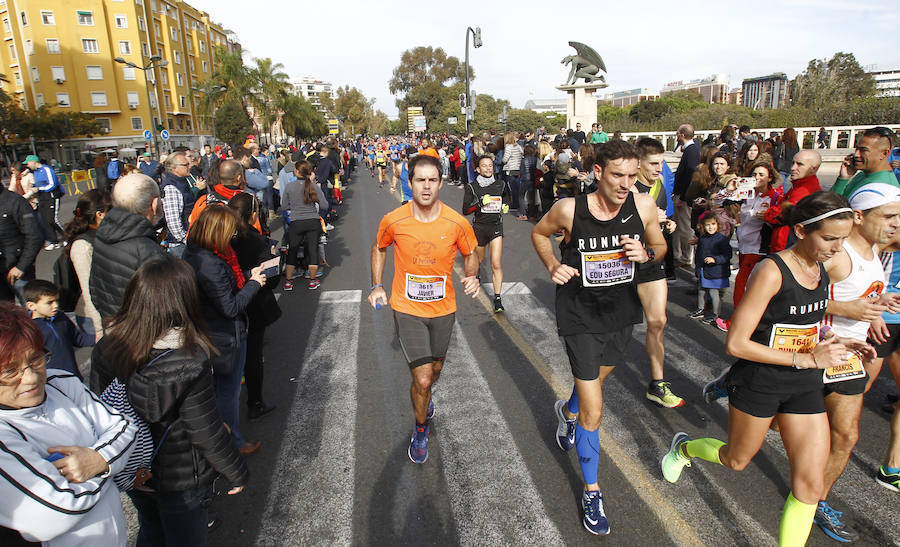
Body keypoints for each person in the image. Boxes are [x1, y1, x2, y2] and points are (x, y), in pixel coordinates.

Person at [660, 192, 865, 547]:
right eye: (830, 238)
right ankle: (685, 449)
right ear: (801, 230)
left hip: (803, 384)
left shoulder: (821, 266)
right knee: (735, 460)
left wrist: (837, 342)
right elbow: (736, 343)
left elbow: (806, 321)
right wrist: (805, 359)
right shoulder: (772, 271)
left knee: (810, 485)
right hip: (761, 381)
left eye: (843, 239)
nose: (837, 248)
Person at [532, 140, 666, 535]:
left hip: (621, 313)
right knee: (595, 409)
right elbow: (540, 235)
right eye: (617, 176)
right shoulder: (569, 210)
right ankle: (593, 491)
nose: (626, 184)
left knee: (598, 381)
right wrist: (554, 264)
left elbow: (659, 246)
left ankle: (566, 411)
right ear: (597, 173)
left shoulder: (642, 206)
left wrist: (646, 254)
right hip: (579, 315)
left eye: (631, 175)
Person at [91, 257, 249, 546]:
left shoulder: (108, 346)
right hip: (181, 474)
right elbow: (205, 430)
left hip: (136, 467)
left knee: (150, 527)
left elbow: (101, 406)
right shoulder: (190, 358)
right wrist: (235, 471)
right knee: (185, 537)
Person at [367, 154, 479, 465]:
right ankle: (420, 429)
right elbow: (379, 247)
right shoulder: (394, 219)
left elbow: (471, 253)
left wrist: (472, 276)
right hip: (407, 308)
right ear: (410, 182)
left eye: (432, 180)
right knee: (424, 379)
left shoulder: (456, 222)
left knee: (437, 370)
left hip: (443, 310)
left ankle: (424, 399)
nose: (426, 186)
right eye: (420, 180)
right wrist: (376, 285)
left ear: (441, 183)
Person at [0, 301, 136, 546]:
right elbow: (57, 511)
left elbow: (125, 426)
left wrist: (97, 460)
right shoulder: (4, 435)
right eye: (11, 372)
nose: (31, 377)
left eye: (36, 360)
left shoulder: (61, 382)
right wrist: (106, 463)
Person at [811, 183, 900, 542]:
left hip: (848, 358)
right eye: (889, 216)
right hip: (810, 354)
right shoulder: (834, 252)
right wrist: (846, 309)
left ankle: (816, 501)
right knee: (768, 429)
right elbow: (793, 294)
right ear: (859, 217)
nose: (895, 224)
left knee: (846, 434)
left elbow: (864, 290)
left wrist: (874, 312)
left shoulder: (876, 249)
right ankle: (738, 379)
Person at [183, 205, 265, 457]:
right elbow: (230, 307)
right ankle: (233, 443)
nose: (233, 238)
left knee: (218, 393)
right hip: (225, 336)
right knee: (228, 394)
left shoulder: (196, 253)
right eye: (230, 233)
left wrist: (248, 276)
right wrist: (254, 284)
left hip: (210, 333)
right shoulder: (211, 263)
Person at [632, 137, 683, 408]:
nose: (658, 167)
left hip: (652, 261)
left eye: (661, 162)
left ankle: (657, 383)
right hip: (625, 263)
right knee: (613, 329)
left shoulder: (661, 186)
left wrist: (668, 225)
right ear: (638, 163)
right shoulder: (626, 188)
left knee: (658, 321)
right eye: (653, 163)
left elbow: (664, 218)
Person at [228, 193, 280, 419]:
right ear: (253, 214)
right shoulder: (254, 239)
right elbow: (271, 278)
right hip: (252, 303)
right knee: (253, 356)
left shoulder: (222, 236)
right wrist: (274, 257)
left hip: (224, 303)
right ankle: (255, 402)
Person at [89, 173, 166, 323]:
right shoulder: (146, 250)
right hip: (140, 334)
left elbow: (94, 288)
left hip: (113, 326)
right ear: (154, 203)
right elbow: (162, 307)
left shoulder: (104, 232)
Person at [462, 155, 510, 313]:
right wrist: (480, 203)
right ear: (478, 169)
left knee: (496, 263)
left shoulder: (500, 184)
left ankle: (497, 299)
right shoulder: (472, 186)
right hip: (479, 228)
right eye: (484, 166)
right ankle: (476, 278)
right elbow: (466, 210)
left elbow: (508, 198)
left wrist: (506, 206)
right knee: (479, 259)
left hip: (496, 226)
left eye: (490, 166)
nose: (488, 168)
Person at [63, 189, 111, 340]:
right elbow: (89, 288)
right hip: (93, 317)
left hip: (109, 312)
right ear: (100, 214)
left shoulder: (103, 235)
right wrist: (99, 329)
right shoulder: (82, 246)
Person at [24, 279, 93, 381]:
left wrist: (101, 338)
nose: (55, 305)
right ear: (31, 306)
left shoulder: (60, 317)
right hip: (51, 381)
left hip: (73, 376)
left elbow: (78, 339)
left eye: (56, 300)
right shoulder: (29, 330)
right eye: (49, 302)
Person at [732, 162, 778, 313]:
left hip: (758, 247)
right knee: (747, 284)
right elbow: (719, 201)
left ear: (770, 178)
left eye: (761, 175)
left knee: (741, 282)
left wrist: (768, 217)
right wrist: (731, 189)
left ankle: (736, 320)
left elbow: (781, 219)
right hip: (743, 245)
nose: (757, 177)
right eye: (754, 174)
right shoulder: (746, 193)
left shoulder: (774, 197)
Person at [765, 150, 823, 253]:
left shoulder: (805, 190)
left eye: (799, 164)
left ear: (813, 169)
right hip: (783, 243)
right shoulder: (799, 185)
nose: (792, 168)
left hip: (786, 245)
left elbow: (779, 215)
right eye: (793, 163)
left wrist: (768, 213)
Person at [282, 161, 328, 291]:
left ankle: (288, 282)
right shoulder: (314, 186)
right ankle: (312, 281)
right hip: (313, 221)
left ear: (296, 171)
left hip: (296, 221)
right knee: (312, 251)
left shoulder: (290, 187)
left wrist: (295, 206)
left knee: (292, 250)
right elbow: (325, 205)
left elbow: (284, 206)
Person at [0, 172, 41, 305]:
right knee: (6, 319)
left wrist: (21, 266)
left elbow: (34, 236)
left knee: (32, 313)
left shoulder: (15, 201)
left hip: (18, 271)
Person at [688, 213, 732, 327]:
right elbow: (699, 254)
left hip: (716, 271)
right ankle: (700, 309)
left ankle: (715, 314)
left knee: (713, 292)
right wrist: (697, 268)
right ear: (703, 226)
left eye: (713, 224)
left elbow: (727, 255)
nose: (711, 227)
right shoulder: (703, 238)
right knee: (701, 289)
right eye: (708, 225)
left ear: (718, 225)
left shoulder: (721, 239)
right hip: (704, 270)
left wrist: (715, 259)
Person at [832, 127, 900, 198]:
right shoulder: (863, 175)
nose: (856, 154)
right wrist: (843, 179)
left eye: (863, 150)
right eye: (857, 149)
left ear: (884, 153)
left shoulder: (882, 188)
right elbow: (832, 203)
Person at [672, 124, 701, 267]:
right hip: (682, 195)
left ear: (682, 134)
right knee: (680, 227)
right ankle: (679, 254)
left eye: (677, 133)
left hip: (684, 197)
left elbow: (690, 175)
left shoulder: (692, 150)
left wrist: (683, 197)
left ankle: (686, 257)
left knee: (684, 228)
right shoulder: (691, 149)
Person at [25, 155, 65, 250]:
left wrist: (39, 188)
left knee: (52, 219)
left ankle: (68, 236)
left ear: (34, 162)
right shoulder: (35, 172)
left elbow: (52, 184)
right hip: (41, 198)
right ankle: (53, 241)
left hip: (51, 196)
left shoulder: (47, 169)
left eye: (28, 163)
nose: (27, 165)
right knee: (45, 221)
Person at [159, 152, 195, 258]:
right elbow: (173, 221)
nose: (189, 166)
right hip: (180, 246)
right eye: (185, 165)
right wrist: (186, 240)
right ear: (175, 168)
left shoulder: (183, 182)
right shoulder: (171, 188)